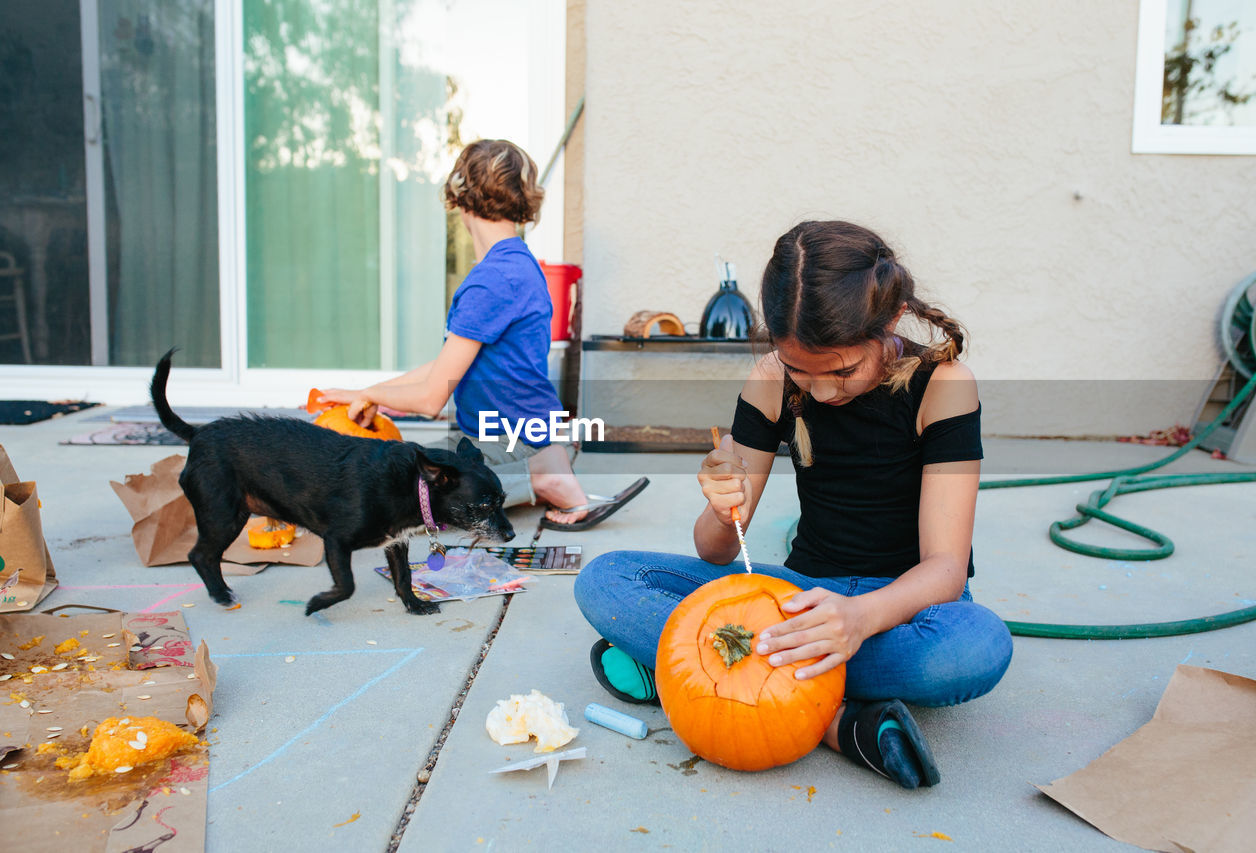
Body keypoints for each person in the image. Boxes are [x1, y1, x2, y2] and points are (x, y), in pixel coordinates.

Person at [574, 220, 1012, 788]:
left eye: (842, 370)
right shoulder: (771, 378)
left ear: (890, 320)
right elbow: (714, 551)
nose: (822, 390)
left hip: (904, 608)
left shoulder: (942, 384)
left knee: (975, 647)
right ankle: (832, 720)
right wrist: (720, 502)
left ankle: (712, 676)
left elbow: (946, 570)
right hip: (793, 600)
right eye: (800, 369)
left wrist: (856, 620)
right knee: (605, 579)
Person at [317, 139, 646, 529]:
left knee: (388, 492)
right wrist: (372, 392)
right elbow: (447, 366)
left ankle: (540, 474)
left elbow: (430, 397)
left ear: (459, 195)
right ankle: (544, 465)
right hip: (520, 435)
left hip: (510, 444)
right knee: (395, 462)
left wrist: (369, 395)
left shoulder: (490, 282)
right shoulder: (519, 266)